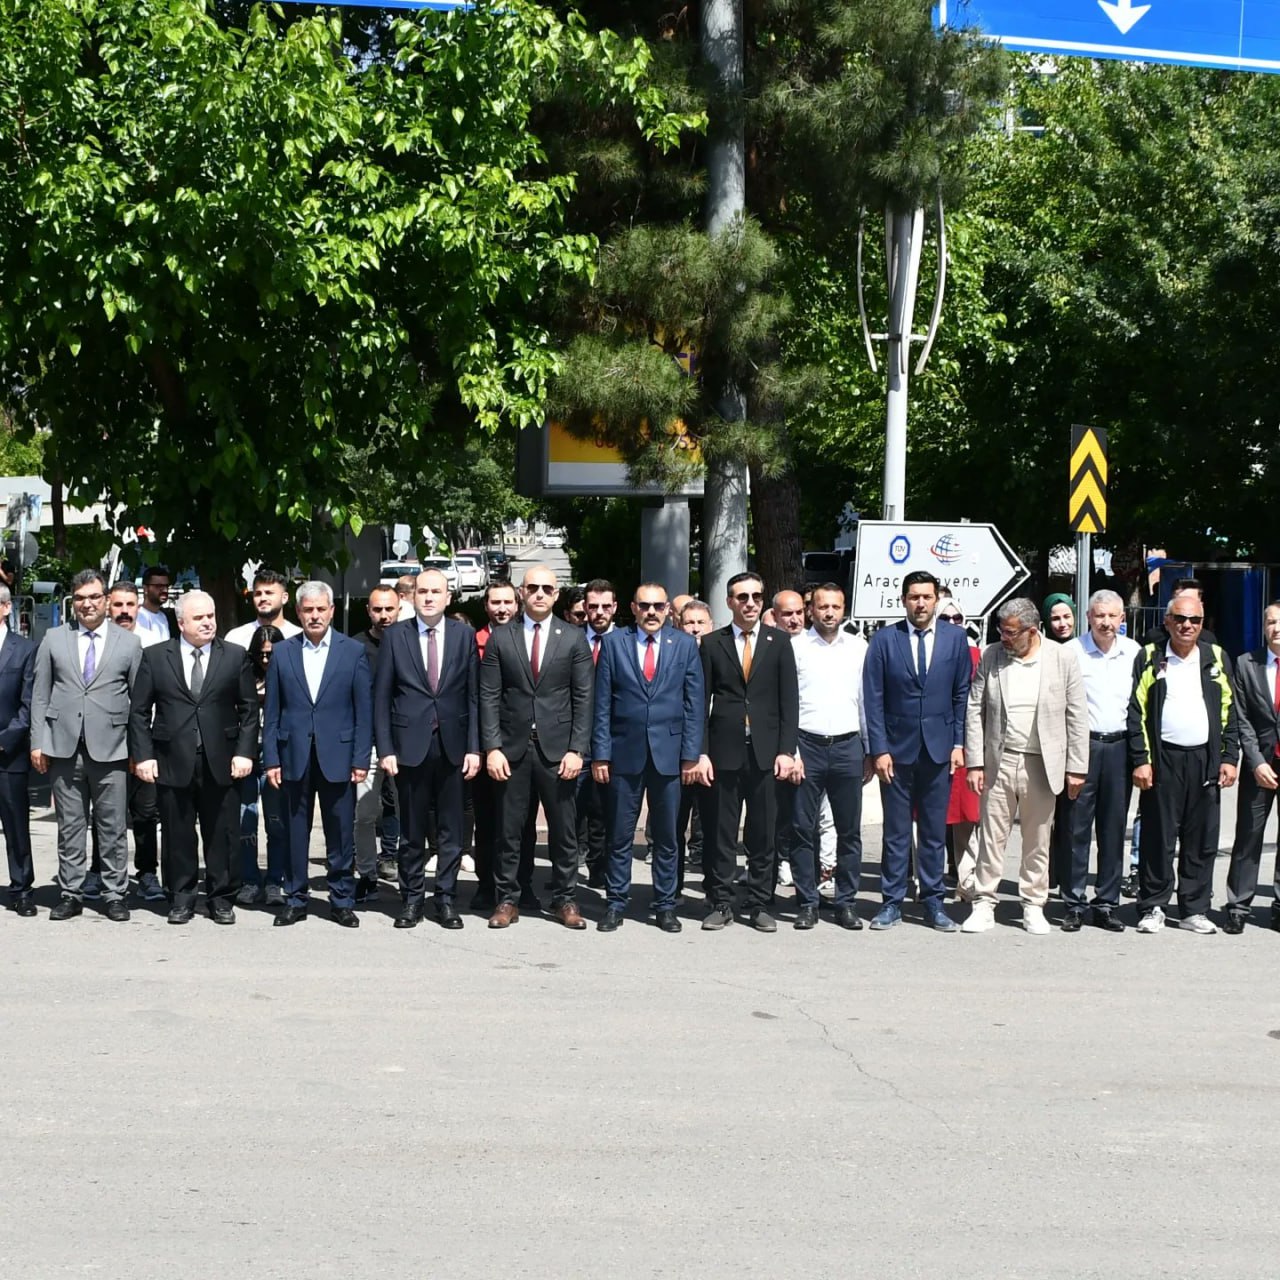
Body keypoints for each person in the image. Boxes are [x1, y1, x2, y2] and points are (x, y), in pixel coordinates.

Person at [960, 597, 1089, 935]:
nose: (1005, 638)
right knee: (991, 835)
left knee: (1038, 838)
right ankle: (984, 902)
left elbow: (1076, 714)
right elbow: (975, 709)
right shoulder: (991, 656)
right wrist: (975, 763)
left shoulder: (1062, 658)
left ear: (1032, 631)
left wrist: (1077, 766)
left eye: (1011, 633)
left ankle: (1033, 904)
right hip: (998, 760)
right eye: (1002, 631)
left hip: (1042, 763)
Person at [128, 591, 257, 925]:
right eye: (199, 618)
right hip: (172, 758)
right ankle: (181, 897)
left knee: (222, 832)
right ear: (181, 622)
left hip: (222, 759)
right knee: (177, 833)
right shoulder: (156, 657)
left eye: (211, 616)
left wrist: (244, 752)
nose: (208, 622)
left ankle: (221, 898)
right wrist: (143, 756)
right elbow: (139, 712)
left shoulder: (234, 656)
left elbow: (249, 710)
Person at [479, 565, 593, 929]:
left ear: (557, 595)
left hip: (559, 751)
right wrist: (492, 747)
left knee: (564, 831)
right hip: (512, 750)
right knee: (510, 830)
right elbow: (489, 696)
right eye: (533, 588)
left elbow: (583, 698)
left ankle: (565, 899)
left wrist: (577, 749)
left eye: (547, 588)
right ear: (521, 593)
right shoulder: (502, 637)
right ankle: (507, 899)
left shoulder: (574, 638)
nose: (540, 593)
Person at [591, 583, 703, 933]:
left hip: (669, 756)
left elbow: (694, 704)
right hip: (624, 754)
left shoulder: (683, 645)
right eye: (645, 606)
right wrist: (601, 754)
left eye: (658, 606)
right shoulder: (614, 643)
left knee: (668, 836)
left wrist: (690, 755)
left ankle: (666, 905)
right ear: (633, 608)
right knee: (621, 834)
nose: (652, 612)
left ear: (669, 608)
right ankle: (615, 903)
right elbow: (602, 704)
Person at [31, 568, 142, 921]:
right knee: (70, 826)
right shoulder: (53, 638)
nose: (87, 604)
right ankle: (71, 892)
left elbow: (139, 702)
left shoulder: (129, 643)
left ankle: (114, 893)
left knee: (112, 826)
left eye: (94, 597)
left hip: (112, 747)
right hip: (63, 747)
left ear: (106, 600)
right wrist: (38, 742)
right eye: (80, 598)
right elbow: (39, 695)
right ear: (72, 602)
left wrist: (138, 751)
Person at [862, 570, 970, 931]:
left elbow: (961, 694)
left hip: (939, 750)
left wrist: (958, 743)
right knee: (895, 831)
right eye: (913, 597)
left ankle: (934, 902)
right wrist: (878, 749)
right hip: (895, 750)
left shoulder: (955, 639)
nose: (920, 603)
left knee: (933, 831)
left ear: (936, 599)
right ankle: (891, 901)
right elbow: (873, 699)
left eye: (926, 596)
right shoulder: (884, 640)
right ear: (903, 600)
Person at [692, 571, 799, 933]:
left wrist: (787, 750)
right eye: (742, 597)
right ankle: (721, 901)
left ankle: (759, 902)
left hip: (767, 753)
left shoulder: (779, 642)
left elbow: (789, 702)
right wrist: (701, 753)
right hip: (724, 751)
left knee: (763, 832)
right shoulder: (711, 643)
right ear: (729, 602)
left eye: (756, 596)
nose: (750, 603)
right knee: (721, 831)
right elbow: (699, 704)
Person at [375, 569, 480, 930]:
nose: (430, 597)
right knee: (412, 830)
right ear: (411, 597)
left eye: (436, 591)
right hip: (409, 746)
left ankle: (446, 899)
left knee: (452, 830)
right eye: (423, 591)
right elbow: (382, 696)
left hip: (453, 745)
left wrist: (474, 748)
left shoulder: (464, 635)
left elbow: (473, 695)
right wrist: (385, 747)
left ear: (449, 597)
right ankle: (412, 899)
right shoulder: (395, 637)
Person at [262, 582, 372, 927]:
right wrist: (271, 760)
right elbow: (273, 711)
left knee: (340, 831)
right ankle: (296, 898)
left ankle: (341, 899)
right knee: (296, 830)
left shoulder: (351, 651)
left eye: (320, 609)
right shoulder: (283, 652)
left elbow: (362, 710)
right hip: (293, 755)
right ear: (298, 613)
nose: (314, 616)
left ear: (331, 611)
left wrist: (359, 758)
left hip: (338, 755)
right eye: (308, 610)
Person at [1128, 590, 1238, 935]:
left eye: (1195, 620)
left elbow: (1229, 711)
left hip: (1204, 759)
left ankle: (1194, 908)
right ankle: (1153, 906)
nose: (1187, 625)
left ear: (1202, 624)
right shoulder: (1150, 656)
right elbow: (1136, 711)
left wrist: (1229, 757)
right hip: (1164, 759)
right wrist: (1142, 760)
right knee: (1158, 837)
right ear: (1167, 621)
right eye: (1180, 618)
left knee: (1201, 839)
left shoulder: (1216, 656)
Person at [788, 583, 869, 931]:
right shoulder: (795, 647)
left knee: (849, 830)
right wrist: (790, 751)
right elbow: (787, 703)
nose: (829, 613)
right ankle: (808, 901)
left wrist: (869, 750)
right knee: (802, 829)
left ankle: (846, 901)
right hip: (807, 746)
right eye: (822, 606)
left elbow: (866, 702)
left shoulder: (859, 648)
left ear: (844, 608)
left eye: (835, 606)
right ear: (811, 610)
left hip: (849, 745)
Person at [1060, 590, 1139, 932]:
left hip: (1120, 748)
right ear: (1088, 618)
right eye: (1099, 616)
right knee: (1076, 828)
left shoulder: (1134, 653)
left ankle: (1106, 903)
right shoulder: (1071, 653)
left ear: (1122, 618)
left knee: (1112, 828)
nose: (1106, 623)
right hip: (1083, 748)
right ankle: (1074, 903)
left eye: (1113, 616)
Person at [97, 580, 166, 904]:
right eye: (118, 605)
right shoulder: (98, 641)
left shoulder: (153, 643)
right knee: (105, 811)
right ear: (109, 606)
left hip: (146, 740)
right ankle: (99, 871)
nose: (124, 611)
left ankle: (147, 873)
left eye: (130, 605)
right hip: (104, 742)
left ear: (138, 607)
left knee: (146, 812)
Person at [1222, 601, 1280, 933]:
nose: (1276, 628)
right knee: (1248, 836)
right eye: (1270, 622)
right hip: (1259, 763)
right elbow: (1241, 718)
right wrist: (1255, 761)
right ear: (1263, 627)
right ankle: (1238, 905)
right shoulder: (1247, 664)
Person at [353, 585, 402, 904]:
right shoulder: (355, 647)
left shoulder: (410, 641)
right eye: (377, 610)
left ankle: (405, 873)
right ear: (368, 611)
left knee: (407, 812)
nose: (384, 616)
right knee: (364, 814)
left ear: (399, 609)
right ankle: (367, 875)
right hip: (367, 744)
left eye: (389, 609)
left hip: (406, 743)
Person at [238, 626, 288, 905]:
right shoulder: (244, 677)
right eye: (261, 654)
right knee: (246, 818)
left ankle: (275, 880)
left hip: (276, 756)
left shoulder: (287, 676)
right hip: (249, 753)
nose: (266, 660)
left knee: (276, 821)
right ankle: (249, 879)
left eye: (271, 654)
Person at [937, 599, 981, 896]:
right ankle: (925, 881)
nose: (953, 622)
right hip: (931, 743)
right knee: (924, 819)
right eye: (946, 617)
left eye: (958, 617)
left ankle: (968, 881)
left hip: (967, 745)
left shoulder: (977, 655)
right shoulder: (925, 652)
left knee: (968, 815)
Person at [577, 578, 617, 886]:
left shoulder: (627, 642)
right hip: (574, 739)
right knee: (572, 809)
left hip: (613, 740)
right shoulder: (572, 639)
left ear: (615, 608)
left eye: (605, 606)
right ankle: (565, 870)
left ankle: (600, 869)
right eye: (593, 607)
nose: (599, 612)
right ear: (585, 609)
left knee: (606, 809)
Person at [0, 586, 35, 916]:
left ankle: (22, 889)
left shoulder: (24, 650)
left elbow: (29, 705)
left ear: (6, 607)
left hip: (8, 754)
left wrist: (3, 740)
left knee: (15, 826)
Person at [770, 589, 807, 891]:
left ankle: (812, 874)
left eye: (798, 613)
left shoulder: (814, 645)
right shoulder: (770, 646)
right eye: (787, 614)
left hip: (813, 741)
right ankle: (775, 868)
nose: (794, 619)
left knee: (808, 818)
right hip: (779, 742)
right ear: (775, 616)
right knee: (776, 813)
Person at [675, 599, 712, 891]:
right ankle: (671, 889)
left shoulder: (719, 653)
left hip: (713, 753)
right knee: (674, 824)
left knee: (713, 826)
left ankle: (713, 891)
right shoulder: (673, 652)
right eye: (690, 622)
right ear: (679, 624)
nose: (695, 628)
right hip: (678, 754)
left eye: (701, 623)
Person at [225, 569, 301, 649]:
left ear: (284, 598)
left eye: (269, 593)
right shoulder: (236, 638)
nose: (263, 598)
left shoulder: (298, 637)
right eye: (258, 594)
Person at [134, 565, 175, 640]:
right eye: (159, 586)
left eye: (166, 586)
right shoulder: (138, 617)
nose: (165, 590)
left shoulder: (163, 616)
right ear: (145, 589)